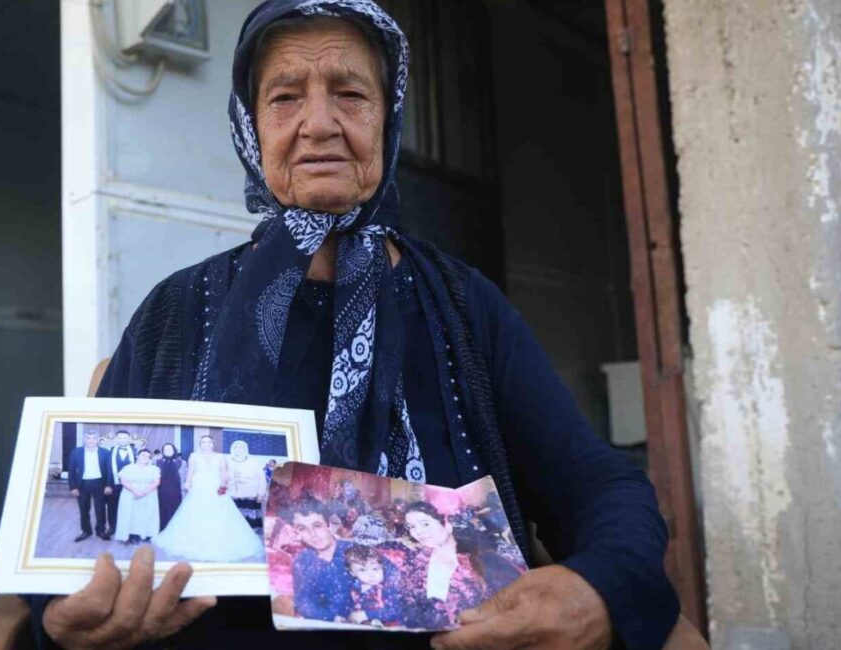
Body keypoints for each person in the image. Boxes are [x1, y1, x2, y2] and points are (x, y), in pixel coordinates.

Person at [36, 2, 679, 648]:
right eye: (285, 97)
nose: (319, 124)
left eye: (350, 93)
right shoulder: (175, 314)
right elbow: (60, 561)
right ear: (250, 126)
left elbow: (596, 483)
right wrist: (58, 620)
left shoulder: (461, 306)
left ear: (387, 118)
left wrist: (599, 584)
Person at [151, 435, 264, 562]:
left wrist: (223, 484)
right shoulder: (193, 455)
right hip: (199, 486)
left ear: (212, 444)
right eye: (203, 442)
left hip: (215, 486)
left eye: (209, 441)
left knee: (218, 513)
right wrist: (188, 483)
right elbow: (191, 471)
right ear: (200, 444)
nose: (206, 444)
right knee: (196, 513)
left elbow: (223, 471)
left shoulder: (219, 456)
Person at [398, 501, 500, 630]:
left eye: (425, 524)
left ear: (448, 524)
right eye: (411, 526)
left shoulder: (483, 560)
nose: (418, 532)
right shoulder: (415, 562)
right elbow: (405, 604)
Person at [288, 497, 354, 622]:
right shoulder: (302, 561)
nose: (312, 534)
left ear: (328, 524)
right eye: (302, 528)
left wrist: (367, 614)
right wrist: (331, 617)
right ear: (297, 532)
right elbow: (302, 601)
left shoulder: (353, 550)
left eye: (317, 526)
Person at [66, 431, 113, 542]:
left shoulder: (105, 453)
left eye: (93, 438)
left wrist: (108, 485)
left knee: (100, 509)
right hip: (82, 484)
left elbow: (109, 471)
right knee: (83, 509)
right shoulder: (76, 452)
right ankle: (86, 531)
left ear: (97, 440)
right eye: (88, 438)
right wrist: (73, 487)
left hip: (99, 484)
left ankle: (100, 530)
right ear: (85, 440)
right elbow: (71, 470)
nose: (91, 441)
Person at [342, 544, 402, 627]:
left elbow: (396, 611)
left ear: (382, 567)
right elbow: (348, 606)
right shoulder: (353, 588)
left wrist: (367, 615)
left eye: (375, 568)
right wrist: (342, 615)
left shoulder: (387, 588)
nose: (371, 574)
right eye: (362, 570)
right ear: (352, 573)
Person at [114, 450, 162, 544]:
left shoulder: (154, 469)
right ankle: (131, 534)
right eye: (143, 455)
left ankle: (146, 534)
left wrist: (144, 492)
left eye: (148, 456)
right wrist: (135, 491)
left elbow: (157, 482)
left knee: (146, 514)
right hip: (130, 493)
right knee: (130, 514)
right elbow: (123, 481)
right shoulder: (128, 468)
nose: (145, 458)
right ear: (137, 456)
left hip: (148, 494)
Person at [226, 440, 267, 528]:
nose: (238, 449)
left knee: (249, 522)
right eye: (236, 447)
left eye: (241, 447)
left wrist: (261, 494)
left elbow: (262, 478)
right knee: (234, 520)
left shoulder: (254, 460)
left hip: (251, 495)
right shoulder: (227, 460)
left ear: (245, 448)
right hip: (233, 494)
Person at [104, 430, 136, 538]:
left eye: (125, 437)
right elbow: (107, 470)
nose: (122, 440)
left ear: (129, 439)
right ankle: (113, 527)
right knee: (112, 507)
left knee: (131, 507)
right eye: (120, 437)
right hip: (114, 484)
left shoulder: (136, 452)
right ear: (116, 439)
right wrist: (108, 485)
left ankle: (130, 529)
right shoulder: (110, 452)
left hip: (131, 485)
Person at [156, 443, 184, 530]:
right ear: (163, 451)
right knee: (162, 509)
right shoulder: (157, 462)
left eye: (170, 449)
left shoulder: (182, 462)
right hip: (161, 491)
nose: (168, 451)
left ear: (174, 450)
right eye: (166, 449)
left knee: (176, 510)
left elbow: (184, 477)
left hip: (176, 491)